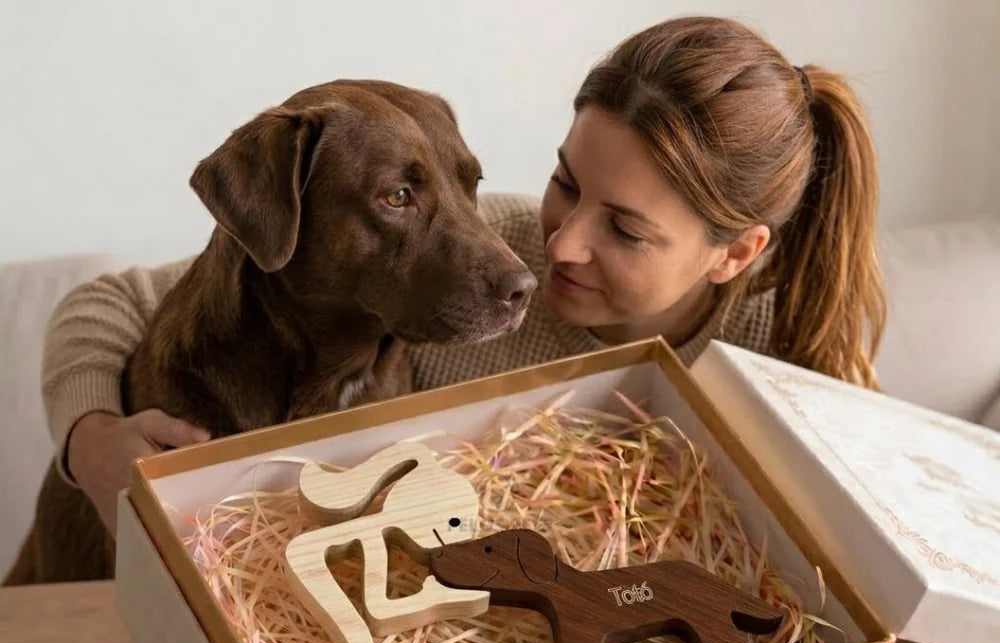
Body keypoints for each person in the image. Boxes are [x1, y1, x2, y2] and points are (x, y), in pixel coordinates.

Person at [42, 16, 885, 534]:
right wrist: (89, 443)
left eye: (624, 227)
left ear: (735, 253)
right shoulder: (505, 243)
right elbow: (114, 300)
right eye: (566, 183)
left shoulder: (786, 360)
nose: (555, 249)